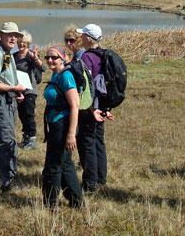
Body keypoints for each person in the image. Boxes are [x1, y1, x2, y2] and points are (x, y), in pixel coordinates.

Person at [0, 21, 26, 192]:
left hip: (7, 101)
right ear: (0, 36)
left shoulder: (7, 53)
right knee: (8, 140)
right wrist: (14, 88)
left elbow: (7, 78)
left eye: (15, 36)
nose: (13, 38)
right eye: (10, 35)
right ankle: (8, 180)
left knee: (0, 139)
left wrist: (16, 92)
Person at [42, 45, 84, 208]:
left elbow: (75, 105)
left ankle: (49, 204)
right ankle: (77, 201)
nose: (50, 60)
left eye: (54, 57)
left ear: (63, 58)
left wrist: (71, 134)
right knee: (65, 163)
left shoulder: (65, 77)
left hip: (63, 125)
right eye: (48, 57)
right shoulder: (56, 75)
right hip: (55, 124)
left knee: (53, 165)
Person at [76, 23, 114, 193]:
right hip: (103, 104)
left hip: (91, 106)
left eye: (83, 35)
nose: (81, 37)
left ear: (89, 39)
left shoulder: (86, 58)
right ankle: (101, 177)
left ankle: (90, 182)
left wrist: (90, 108)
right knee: (98, 140)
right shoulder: (105, 55)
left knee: (87, 142)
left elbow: (86, 85)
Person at [13, 30, 44, 151]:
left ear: (28, 43)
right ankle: (25, 137)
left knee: (29, 115)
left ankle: (32, 140)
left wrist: (35, 58)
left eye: (24, 42)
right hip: (18, 90)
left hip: (30, 90)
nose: (21, 44)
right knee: (21, 115)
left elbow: (42, 67)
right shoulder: (14, 56)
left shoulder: (31, 55)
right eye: (20, 42)